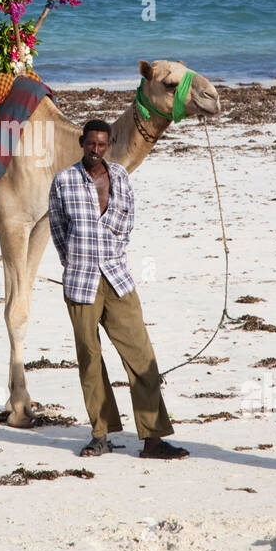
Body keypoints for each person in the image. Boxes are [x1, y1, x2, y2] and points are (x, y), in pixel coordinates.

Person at [48, 119, 188, 459]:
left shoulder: (121, 177)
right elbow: (57, 229)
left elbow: (126, 225)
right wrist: (77, 263)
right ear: (81, 142)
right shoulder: (63, 181)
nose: (95, 151)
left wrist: (110, 255)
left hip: (118, 279)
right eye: (89, 144)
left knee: (141, 357)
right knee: (90, 359)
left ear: (108, 144)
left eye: (101, 145)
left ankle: (153, 439)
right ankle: (100, 435)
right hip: (81, 283)